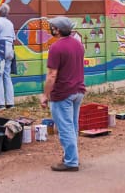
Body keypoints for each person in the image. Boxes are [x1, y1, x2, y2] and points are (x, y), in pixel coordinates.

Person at [40, 16, 86, 172]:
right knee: (72, 126)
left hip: (62, 93)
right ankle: (71, 156)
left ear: (57, 30)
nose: (51, 29)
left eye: (52, 27)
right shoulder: (79, 45)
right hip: (78, 90)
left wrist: (45, 95)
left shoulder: (56, 48)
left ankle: (71, 161)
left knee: (65, 128)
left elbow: (52, 75)